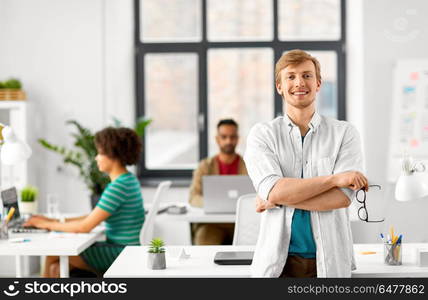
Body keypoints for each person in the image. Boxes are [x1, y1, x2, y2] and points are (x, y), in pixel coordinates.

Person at [244, 49, 368, 278]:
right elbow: (273, 189)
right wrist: (334, 179)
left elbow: (340, 198)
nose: (299, 82)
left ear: (319, 83)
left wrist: (278, 199)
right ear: (279, 86)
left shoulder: (345, 134)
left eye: (307, 75)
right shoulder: (262, 135)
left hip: (329, 263)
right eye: (290, 76)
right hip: (277, 263)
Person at [24, 127, 145, 277]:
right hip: (125, 249)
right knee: (56, 267)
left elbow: (84, 227)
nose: (96, 158)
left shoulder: (118, 187)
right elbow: (92, 217)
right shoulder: (129, 180)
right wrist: (54, 220)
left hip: (120, 252)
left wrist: (45, 224)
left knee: (53, 253)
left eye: (100, 153)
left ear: (112, 154)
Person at [189, 119, 248, 245]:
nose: (228, 141)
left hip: (243, 223)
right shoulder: (205, 166)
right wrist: (213, 203)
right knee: (203, 243)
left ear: (237, 139)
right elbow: (193, 197)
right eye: (224, 137)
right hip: (212, 223)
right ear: (217, 139)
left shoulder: (249, 165)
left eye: (232, 137)